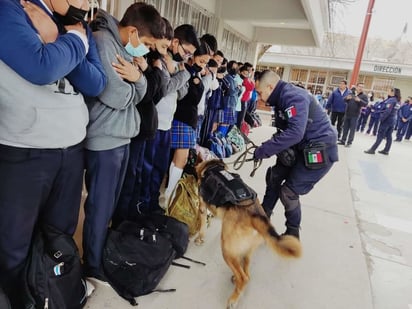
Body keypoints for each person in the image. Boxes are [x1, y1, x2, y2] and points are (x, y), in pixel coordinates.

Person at [0, 0, 107, 306]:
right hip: (23, 152)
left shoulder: (77, 25)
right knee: (13, 247)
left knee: (59, 237)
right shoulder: (11, 9)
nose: (86, 4)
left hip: (71, 151)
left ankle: (54, 296)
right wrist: (73, 42)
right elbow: (40, 66)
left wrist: (57, 39)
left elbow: (95, 82)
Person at [82, 3, 163, 282]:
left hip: (121, 136)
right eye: (148, 43)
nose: (148, 50)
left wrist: (137, 78)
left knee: (110, 205)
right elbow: (116, 96)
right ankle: (91, 265)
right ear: (133, 31)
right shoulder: (105, 43)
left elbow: (139, 91)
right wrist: (137, 84)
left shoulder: (121, 47)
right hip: (104, 138)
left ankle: (100, 254)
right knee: (100, 206)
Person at [253, 70, 338, 240]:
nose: (259, 98)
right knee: (274, 178)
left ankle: (292, 234)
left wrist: (265, 149)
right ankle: (262, 222)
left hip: (319, 150)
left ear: (270, 87)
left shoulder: (293, 96)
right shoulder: (280, 99)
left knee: (288, 192)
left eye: (260, 93)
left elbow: (295, 133)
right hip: (298, 148)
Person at [165, 42, 211, 201]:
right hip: (181, 119)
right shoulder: (184, 71)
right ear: (193, 56)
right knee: (180, 159)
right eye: (201, 61)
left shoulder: (195, 74)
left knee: (181, 160)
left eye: (205, 62)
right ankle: (169, 195)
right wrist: (196, 80)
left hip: (189, 120)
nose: (203, 65)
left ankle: (170, 193)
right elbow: (188, 97)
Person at [364, 88, 401, 155]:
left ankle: (372, 149)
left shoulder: (391, 100)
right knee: (389, 136)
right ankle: (386, 150)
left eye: (389, 91)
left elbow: (387, 111)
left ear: (393, 92)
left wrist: (381, 119)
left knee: (380, 135)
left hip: (387, 120)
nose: (388, 92)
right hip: (392, 120)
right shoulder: (398, 100)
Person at [338, 83, 368, 147]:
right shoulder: (351, 93)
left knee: (352, 129)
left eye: (362, 87)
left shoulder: (364, 96)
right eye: (359, 86)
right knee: (345, 128)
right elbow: (344, 100)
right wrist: (346, 98)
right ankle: (343, 140)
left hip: (355, 115)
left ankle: (349, 142)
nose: (360, 88)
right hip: (347, 113)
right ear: (356, 87)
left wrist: (359, 100)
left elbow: (365, 104)